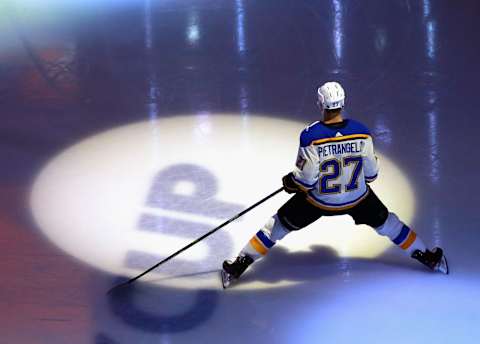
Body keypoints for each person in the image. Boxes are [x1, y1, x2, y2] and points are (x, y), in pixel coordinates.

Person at [221, 81, 448, 288]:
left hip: (319, 201)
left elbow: (306, 179)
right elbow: (371, 174)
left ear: (320, 103)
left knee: (276, 226)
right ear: (342, 103)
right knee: (390, 224)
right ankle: (426, 256)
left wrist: (291, 182)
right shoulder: (361, 131)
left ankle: (241, 263)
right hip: (357, 198)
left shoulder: (311, 136)